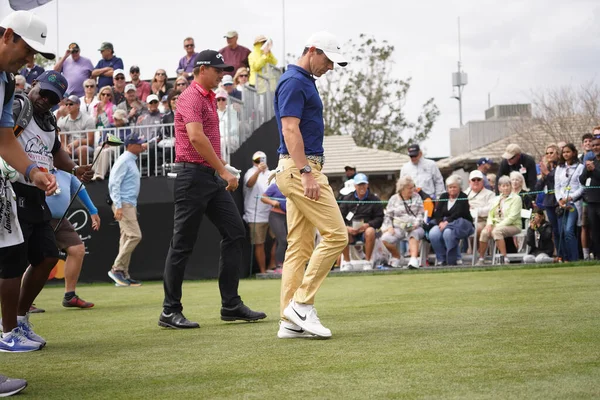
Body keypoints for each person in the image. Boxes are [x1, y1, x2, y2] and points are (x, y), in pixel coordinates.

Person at [160, 50, 266, 330]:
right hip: (192, 178)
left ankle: (230, 304)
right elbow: (195, 137)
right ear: (202, 68)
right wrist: (223, 170)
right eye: (218, 69)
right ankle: (170, 311)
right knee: (181, 244)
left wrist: (220, 168)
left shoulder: (208, 97)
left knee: (235, 232)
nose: (222, 74)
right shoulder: (190, 97)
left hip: (209, 177)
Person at [4, 70, 93, 350]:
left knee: (46, 256)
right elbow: (4, 140)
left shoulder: (49, 120)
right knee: (12, 265)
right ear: (33, 85)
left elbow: (56, 153)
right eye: (43, 92)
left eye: (53, 98)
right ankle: (7, 332)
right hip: (12, 190)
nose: (45, 99)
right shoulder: (19, 107)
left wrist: (76, 168)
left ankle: (18, 320)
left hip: (36, 195)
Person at [274, 31, 348, 339]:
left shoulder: (302, 80)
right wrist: (306, 171)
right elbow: (289, 128)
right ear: (313, 51)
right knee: (337, 235)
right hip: (300, 169)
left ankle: (290, 322)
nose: (330, 67)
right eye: (328, 60)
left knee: (300, 247)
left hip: (297, 168)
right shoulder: (294, 81)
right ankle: (301, 305)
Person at [0, 9, 58, 353]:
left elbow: (5, 139)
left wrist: (33, 172)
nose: (30, 59)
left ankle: (10, 331)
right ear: (8, 36)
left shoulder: (7, 83)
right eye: (28, 49)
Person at [46, 169, 99, 308]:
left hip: (61, 219)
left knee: (77, 249)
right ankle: (23, 300)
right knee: (37, 256)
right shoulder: (37, 162)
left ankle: (70, 296)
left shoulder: (66, 169)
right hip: (39, 217)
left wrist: (93, 211)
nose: (65, 149)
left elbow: (79, 188)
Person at [107, 133, 145, 287]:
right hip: (124, 204)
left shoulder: (129, 160)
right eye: (139, 143)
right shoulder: (124, 160)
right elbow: (114, 184)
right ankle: (117, 269)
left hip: (128, 204)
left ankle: (123, 274)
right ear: (130, 145)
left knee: (125, 238)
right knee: (135, 236)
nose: (142, 146)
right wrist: (119, 206)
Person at [338, 173, 384, 269]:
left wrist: (368, 225)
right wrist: (347, 228)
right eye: (359, 185)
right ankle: (347, 262)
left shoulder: (374, 200)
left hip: (366, 231)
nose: (362, 187)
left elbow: (379, 218)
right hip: (351, 230)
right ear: (355, 186)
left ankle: (368, 262)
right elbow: (339, 217)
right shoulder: (347, 199)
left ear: (367, 185)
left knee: (370, 231)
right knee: (341, 232)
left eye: (363, 184)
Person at [380, 176, 425, 268]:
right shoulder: (393, 199)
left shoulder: (417, 197)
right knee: (385, 239)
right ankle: (397, 256)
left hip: (415, 227)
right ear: (402, 189)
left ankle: (413, 260)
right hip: (398, 227)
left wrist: (415, 224)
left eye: (413, 187)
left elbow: (421, 214)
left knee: (414, 233)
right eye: (409, 188)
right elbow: (388, 216)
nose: (412, 190)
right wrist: (389, 227)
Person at [477, 175, 523, 265]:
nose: (505, 188)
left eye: (507, 185)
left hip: (513, 225)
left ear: (510, 186)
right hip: (497, 225)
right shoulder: (496, 199)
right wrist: (489, 224)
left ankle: (504, 258)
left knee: (496, 231)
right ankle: (481, 259)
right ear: (499, 188)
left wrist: (496, 226)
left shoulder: (516, 198)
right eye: (503, 186)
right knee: (484, 232)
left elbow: (512, 217)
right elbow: (490, 214)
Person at [429, 175, 474, 266]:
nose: (452, 189)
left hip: (462, 223)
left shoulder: (463, 196)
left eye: (454, 187)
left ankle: (454, 259)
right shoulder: (444, 196)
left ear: (459, 187)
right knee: (433, 233)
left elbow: (459, 212)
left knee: (448, 232)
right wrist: (441, 222)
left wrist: (446, 222)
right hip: (444, 223)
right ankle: (441, 259)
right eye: (450, 187)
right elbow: (438, 212)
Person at [243, 151, 274, 274]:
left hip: (272, 212)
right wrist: (257, 171)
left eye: (261, 160)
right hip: (255, 215)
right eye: (257, 161)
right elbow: (249, 184)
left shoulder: (270, 174)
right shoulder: (250, 172)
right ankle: (262, 271)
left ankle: (272, 265)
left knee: (280, 239)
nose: (259, 163)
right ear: (253, 162)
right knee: (259, 243)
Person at [554, 143, 583, 262]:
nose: (566, 154)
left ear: (574, 153)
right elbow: (557, 186)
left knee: (569, 230)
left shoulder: (580, 167)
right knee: (561, 231)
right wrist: (560, 199)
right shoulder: (559, 168)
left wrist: (570, 198)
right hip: (562, 204)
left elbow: (582, 187)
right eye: (564, 152)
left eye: (568, 152)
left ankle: (574, 258)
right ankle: (566, 259)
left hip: (574, 204)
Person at [57, 95, 96, 164]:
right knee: (60, 151)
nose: (68, 106)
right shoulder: (62, 122)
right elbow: (63, 141)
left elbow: (90, 140)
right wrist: (65, 148)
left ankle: (82, 174)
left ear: (78, 105)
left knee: (82, 149)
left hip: (87, 147)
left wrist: (78, 142)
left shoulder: (88, 119)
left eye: (71, 104)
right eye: (66, 104)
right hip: (70, 148)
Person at [535, 144, 560, 248]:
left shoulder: (561, 166)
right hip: (549, 201)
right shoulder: (547, 167)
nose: (549, 155)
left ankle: (569, 256)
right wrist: (543, 176)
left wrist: (547, 172)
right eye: (547, 153)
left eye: (552, 152)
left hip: (559, 200)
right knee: (555, 230)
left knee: (562, 229)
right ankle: (559, 255)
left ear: (558, 154)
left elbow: (557, 181)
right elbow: (538, 188)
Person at [580, 135, 600, 259]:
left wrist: (595, 171)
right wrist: (587, 170)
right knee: (595, 231)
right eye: (593, 146)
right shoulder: (592, 161)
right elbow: (582, 180)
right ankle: (598, 256)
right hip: (591, 202)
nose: (595, 147)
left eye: (597, 145)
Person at [261, 182, 287, 273]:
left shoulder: (294, 184)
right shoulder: (276, 186)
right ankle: (279, 265)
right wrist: (272, 202)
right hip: (276, 215)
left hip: (289, 216)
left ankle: (286, 265)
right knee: (283, 240)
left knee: (287, 241)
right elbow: (263, 197)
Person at [465, 170, 495, 245]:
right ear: (469, 182)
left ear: (482, 181)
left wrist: (476, 211)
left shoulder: (490, 194)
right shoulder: (464, 193)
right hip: (467, 220)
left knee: (476, 229)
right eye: (473, 180)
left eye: (478, 179)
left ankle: (477, 252)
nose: (476, 181)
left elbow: (491, 209)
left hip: (483, 220)